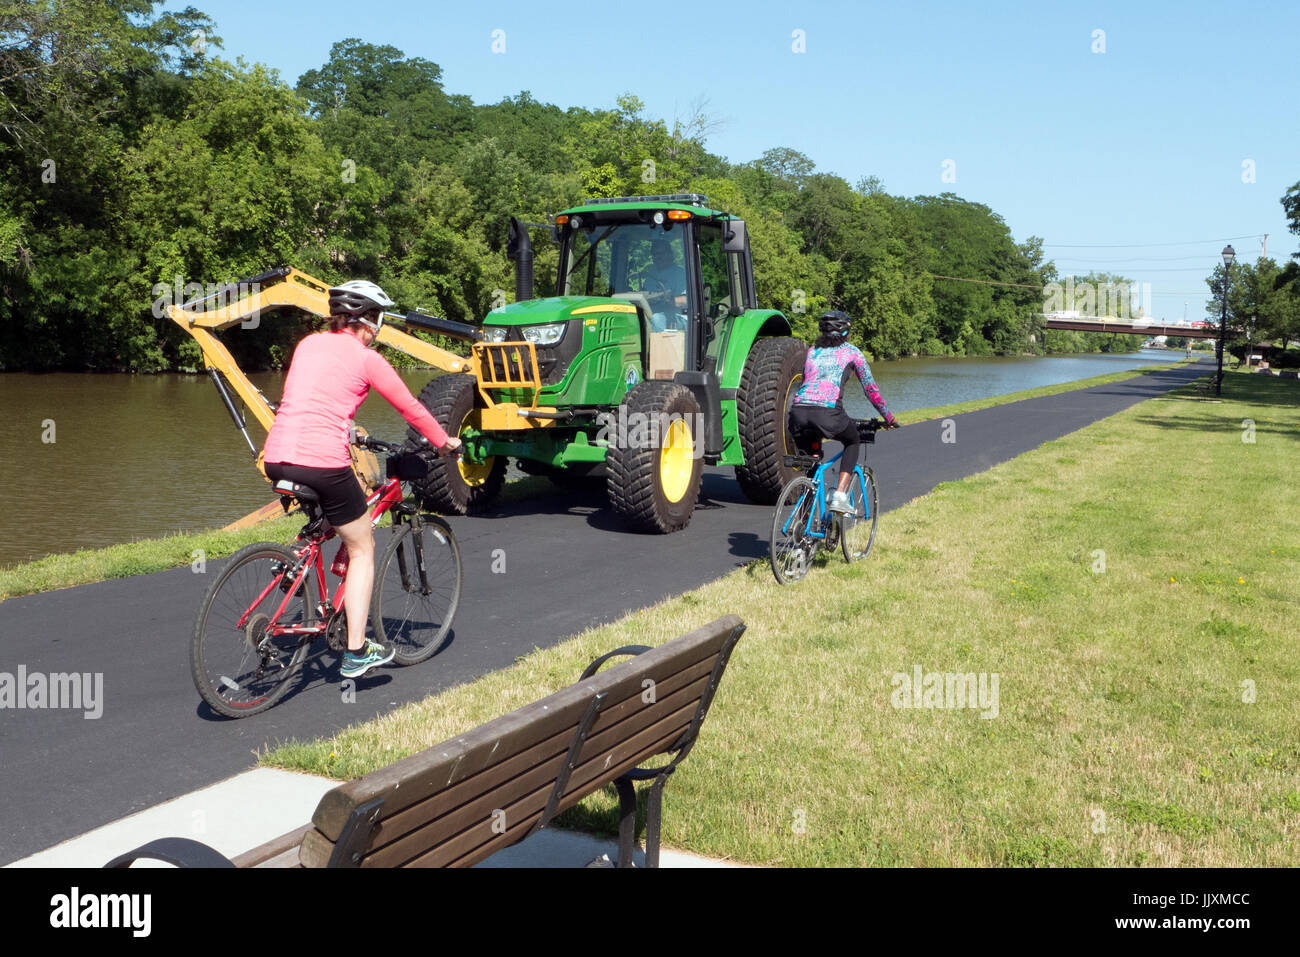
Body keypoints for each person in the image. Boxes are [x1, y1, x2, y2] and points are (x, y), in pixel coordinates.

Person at [262, 280, 461, 679]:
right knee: (363, 546)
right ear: (370, 322)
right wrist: (444, 443)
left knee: (333, 518)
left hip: (278, 455)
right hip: (320, 460)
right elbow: (412, 409)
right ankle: (355, 652)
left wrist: (347, 429)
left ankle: (295, 563)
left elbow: (313, 399)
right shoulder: (367, 358)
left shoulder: (308, 344)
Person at [789, 310, 899, 513]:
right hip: (828, 413)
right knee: (852, 440)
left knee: (813, 464)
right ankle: (839, 494)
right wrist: (889, 417)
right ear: (847, 332)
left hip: (798, 413)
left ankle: (801, 539)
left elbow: (806, 383)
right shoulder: (852, 353)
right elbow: (871, 390)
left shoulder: (812, 351)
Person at [642, 240, 688, 331]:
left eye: (661, 254)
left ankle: (661, 344)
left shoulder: (682, 274)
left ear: (670, 255)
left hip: (678, 317)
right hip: (651, 315)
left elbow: (686, 301)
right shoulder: (650, 275)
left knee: (657, 319)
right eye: (655, 254)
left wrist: (665, 299)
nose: (657, 257)